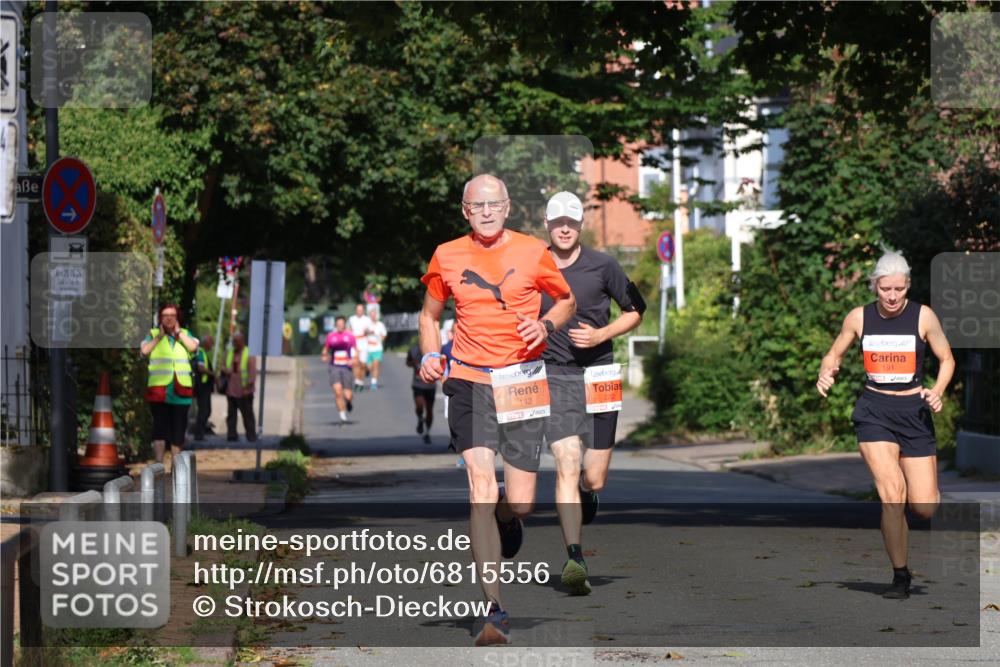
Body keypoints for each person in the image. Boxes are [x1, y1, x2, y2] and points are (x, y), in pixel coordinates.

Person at [418, 174, 576, 645]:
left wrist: (546, 325)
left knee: (522, 500)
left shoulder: (533, 252)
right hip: (468, 379)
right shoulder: (447, 255)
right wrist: (431, 354)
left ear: (508, 208)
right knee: (481, 486)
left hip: (522, 380)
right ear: (465, 211)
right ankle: (495, 608)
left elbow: (566, 300)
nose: (486, 212)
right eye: (476, 206)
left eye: (494, 205)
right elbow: (430, 315)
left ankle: (510, 518)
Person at [816, 251, 954, 599]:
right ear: (874, 286)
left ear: (908, 286)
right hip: (874, 410)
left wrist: (936, 391)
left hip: (914, 412)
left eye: (899, 289)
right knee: (892, 494)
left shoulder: (923, 317)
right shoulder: (859, 318)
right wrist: (825, 370)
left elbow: (946, 358)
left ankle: (925, 495)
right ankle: (900, 575)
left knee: (924, 506)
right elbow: (834, 353)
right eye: (885, 289)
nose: (892, 296)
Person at [540, 191, 645, 596]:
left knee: (594, 477)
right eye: (557, 221)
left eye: (571, 220)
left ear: (581, 224)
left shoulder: (604, 265)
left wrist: (602, 334)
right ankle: (574, 556)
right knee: (566, 461)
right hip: (555, 375)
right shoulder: (534, 266)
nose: (564, 227)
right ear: (547, 225)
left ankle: (588, 494)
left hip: (600, 374)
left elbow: (636, 309)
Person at [140, 304, 199, 463]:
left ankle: (176, 468)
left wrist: (179, 333)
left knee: (177, 434)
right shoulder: (153, 334)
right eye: (165, 315)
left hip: (181, 392)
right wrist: (159, 337)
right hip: (159, 391)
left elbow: (193, 348)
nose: (168, 318)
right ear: (160, 318)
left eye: (172, 315)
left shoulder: (186, 334)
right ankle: (158, 466)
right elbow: (144, 351)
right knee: (159, 430)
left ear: (177, 317)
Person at [221, 331, 257, 442]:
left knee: (247, 415)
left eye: (236, 341)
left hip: (244, 391)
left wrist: (248, 386)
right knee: (231, 416)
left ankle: (251, 436)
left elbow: (252, 372)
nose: (234, 343)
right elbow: (222, 365)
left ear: (242, 341)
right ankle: (232, 435)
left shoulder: (248, 353)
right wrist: (225, 370)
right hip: (231, 390)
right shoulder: (229, 352)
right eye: (233, 341)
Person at [322, 315, 357, 424]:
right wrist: (324, 354)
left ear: (344, 325)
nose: (340, 326)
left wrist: (354, 359)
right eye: (338, 324)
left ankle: (348, 402)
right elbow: (326, 349)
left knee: (348, 395)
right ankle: (342, 415)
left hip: (346, 367)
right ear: (336, 325)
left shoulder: (350, 336)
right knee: (338, 391)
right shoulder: (331, 336)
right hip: (334, 367)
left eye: (342, 324)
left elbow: (355, 350)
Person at [406, 342, 436, 444]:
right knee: (419, 405)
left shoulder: (434, 350)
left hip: (430, 385)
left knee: (429, 410)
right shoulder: (413, 350)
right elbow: (408, 362)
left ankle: (427, 433)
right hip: (418, 383)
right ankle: (419, 418)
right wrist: (413, 363)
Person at [192, 334, 215, 441]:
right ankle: (199, 434)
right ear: (206, 342)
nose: (213, 344)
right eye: (211, 342)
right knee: (204, 410)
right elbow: (201, 368)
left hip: (205, 387)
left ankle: (200, 431)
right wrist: (212, 374)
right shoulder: (200, 352)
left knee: (206, 410)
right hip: (202, 387)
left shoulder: (203, 353)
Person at [348, 303, 373, 391]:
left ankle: (361, 381)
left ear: (363, 310)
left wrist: (367, 331)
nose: (359, 311)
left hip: (363, 342)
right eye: (358, 310)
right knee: (355, 363)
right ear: (356, 310)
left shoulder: (367, 319)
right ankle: (357, 381)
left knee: (362, 364)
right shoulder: (351, 319)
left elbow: (370, 330)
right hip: (354, 342)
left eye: (361, 310)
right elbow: (348, 329)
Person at [366, 309, 388, 390]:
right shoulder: (367, 325)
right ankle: (367, 371)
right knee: (369, 367)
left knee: (376, 365)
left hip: (377, 348)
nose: (373, 316)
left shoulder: (380, 325)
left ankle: (374, 382)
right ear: (370, 316)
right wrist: (368, 332)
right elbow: (363, 333)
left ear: (376, 316)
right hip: (368, 349)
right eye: (372, 315)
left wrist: (380, 340)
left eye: (374, 315)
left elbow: (384, 334)